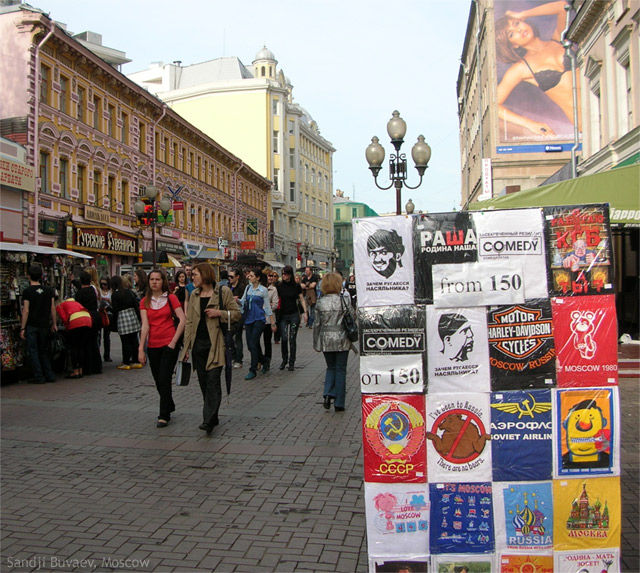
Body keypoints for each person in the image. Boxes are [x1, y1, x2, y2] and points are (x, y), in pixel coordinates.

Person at [495, 1, 578, 136]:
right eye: (511, 34)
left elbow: (564, 6)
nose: (519, 30)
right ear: (513, 45)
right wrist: (530, 124)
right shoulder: (521, 69)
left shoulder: (558, 40)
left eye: (517, 24)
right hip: (584, 123)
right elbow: (494, 106)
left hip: (605, 100)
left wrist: (523, 14)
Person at [180, 263, 241, 433]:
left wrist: (219, 313)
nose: (193, 278)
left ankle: (208, 420)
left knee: (213, 381)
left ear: (205, 275)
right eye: (192, 275)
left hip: (216, 343)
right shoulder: (194, 294)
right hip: (199, 345)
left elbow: (236, 314)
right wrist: (186, 348)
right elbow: (190, 321)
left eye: (196, 274)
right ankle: (212, 416)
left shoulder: (223, 292)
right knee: (204, 382)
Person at [138, 269, 186, 428]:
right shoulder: (145, 301)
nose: (154, 282)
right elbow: (145, 326)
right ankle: (169, 403)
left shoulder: (171, 298)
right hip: (153, 345)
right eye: (152, 279)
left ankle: (163, 415)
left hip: (168, 343)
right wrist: (141, 348)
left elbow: (182, 320)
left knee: (164, 378)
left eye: (157, 279)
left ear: (163, 281)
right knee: (158, 380)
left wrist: (173, 342)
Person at [313, 272, 355, 412]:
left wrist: (316, 342)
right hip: (342, 337)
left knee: (330, 367)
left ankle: (327, 393)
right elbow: (352, 317)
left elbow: (317, 324)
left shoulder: (320, 302)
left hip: (326, 338)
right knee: (341, 369)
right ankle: (339, 402)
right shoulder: (343, 300)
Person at [20, 264, 57, 384]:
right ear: (41, 276)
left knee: (33, 351)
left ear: (29, 276)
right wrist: (54, 323)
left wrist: (22, 327)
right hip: (44, 325)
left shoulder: (27, 291)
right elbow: (52, 308)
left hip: (32, 325)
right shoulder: (48, 290)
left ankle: (39, 375)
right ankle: (49, 374)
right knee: (44, 350)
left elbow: (26, 310)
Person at [239, 269, 276, 380]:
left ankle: (253, 369)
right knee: (250, 346)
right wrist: (236, 301)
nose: (249, 277)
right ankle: (264, 360)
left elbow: (267, 307)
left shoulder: (263, 290)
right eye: (249, 276)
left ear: (258, 278)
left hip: (259, 319)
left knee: (254, 342)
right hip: (249, 319)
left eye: (251, 275)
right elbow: (243, 301)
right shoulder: (248, 288)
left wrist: (272, 321)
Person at [276, 265, 308, 371]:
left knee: (292, 338)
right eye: (283, 274)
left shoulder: (296, 286)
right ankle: (284, 359)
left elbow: (302, 299)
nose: (284, 276)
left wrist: (305, 313)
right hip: (283, 315)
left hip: (294, 314)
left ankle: (291, 362)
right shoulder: (279, 286)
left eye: (285, 274)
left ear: (290, 275)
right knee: (284, 338)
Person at [56, 295, 92, 379]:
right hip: (87, 319)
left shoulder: (61, 305)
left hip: (76, 322)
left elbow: (64, 318)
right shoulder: (76, 303)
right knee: (81, 347)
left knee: (74, 347)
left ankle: (75, 371)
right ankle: (81, 370)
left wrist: (67, 328)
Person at [110, 275, 142, 370]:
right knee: (134, 340)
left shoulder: (115, 295)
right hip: (132, 316)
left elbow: (115, 309)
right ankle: (136, 361)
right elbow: (136, 304)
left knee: (125, 341)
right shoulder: (129, 292)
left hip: (122, 318)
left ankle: (126, 362)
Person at [75, 270, 102, 375]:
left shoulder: (79, 293)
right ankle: (97, 366)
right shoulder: (92, 290)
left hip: (85, 317)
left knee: (85, 343)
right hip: (95, 316)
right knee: (94, 342)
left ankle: (88, 367)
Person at [261, 269, 280, 373]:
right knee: (254, 341)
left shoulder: (273, 289)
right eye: (269, 276)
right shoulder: (258, 288)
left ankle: (267, 361)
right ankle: (260, 359)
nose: (270, 278)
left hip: (269, 319)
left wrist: (264, 307)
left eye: (272, 276)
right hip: (258, 318)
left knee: (267, 341)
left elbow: (275, 304)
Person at [228, 269, 246, 369]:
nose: (229, 278)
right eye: (229, 276)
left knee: (238, 336)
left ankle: (239, 359)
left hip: (239, 314)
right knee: (229, 337)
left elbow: (244, 302)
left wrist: (237, 300)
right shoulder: (228, 287)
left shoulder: (242, 287)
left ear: (237, 277)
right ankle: (233, 356)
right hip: (229, 313)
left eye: (232, 277)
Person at [99, 277, 112, 362]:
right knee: (99, 335)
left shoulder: (111, 292)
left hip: (108, 315)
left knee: (107, 336)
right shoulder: (99, 291)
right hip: (100, 314)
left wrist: (109, 301)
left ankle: (107, 355)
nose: (103, 286)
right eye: (102, 284)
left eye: (105, 284)